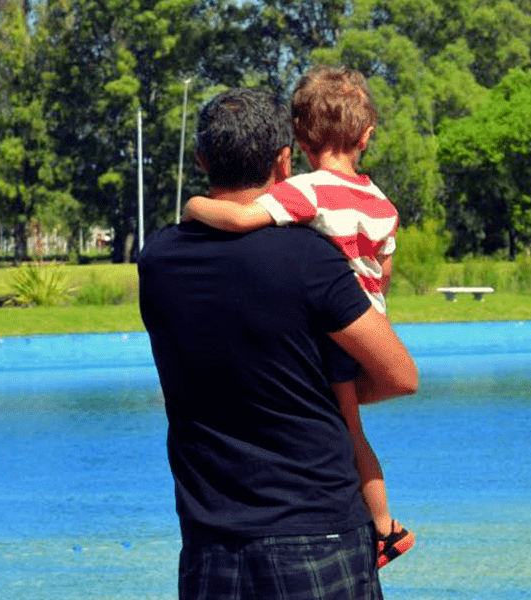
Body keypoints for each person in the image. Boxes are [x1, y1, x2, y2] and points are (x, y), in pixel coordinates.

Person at [138, 87, 417, 600]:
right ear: (284, 161)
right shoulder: (311, 259)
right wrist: (341, 394)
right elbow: (401, 375)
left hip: (209, 544)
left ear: (202, 160)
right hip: (319, 535)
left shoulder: (157, 261)